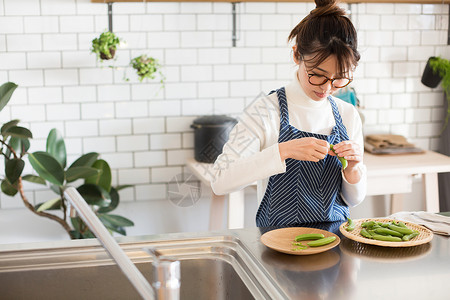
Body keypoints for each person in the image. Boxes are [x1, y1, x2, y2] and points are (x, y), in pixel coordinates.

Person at [211, 0, 366, 227]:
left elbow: (354, 199)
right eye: (317, 74)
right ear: (296, 55)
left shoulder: (347, 114)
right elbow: (220, 180)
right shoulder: (265, 111)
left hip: (335, 244)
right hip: (276, 246)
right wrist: (282, 151)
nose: (326, 87)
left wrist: (353, 169)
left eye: (339, 79)